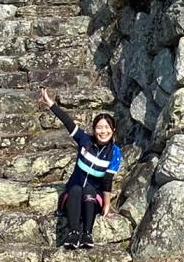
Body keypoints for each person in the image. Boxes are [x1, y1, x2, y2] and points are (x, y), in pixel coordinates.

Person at [37, 87, 122, 250]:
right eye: (99, 128)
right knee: (76, 189)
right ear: (94, 130)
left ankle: (87, 234)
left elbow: (107, 181)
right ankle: (73, 233)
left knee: (89, 191)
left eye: (107, 128)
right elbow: (67, 122)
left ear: (113, 130)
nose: (103, 131)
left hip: (92, 196)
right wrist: (50, 104)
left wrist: (106, 205)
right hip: (73, 193)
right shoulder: (85, 141)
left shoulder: (115, 153)